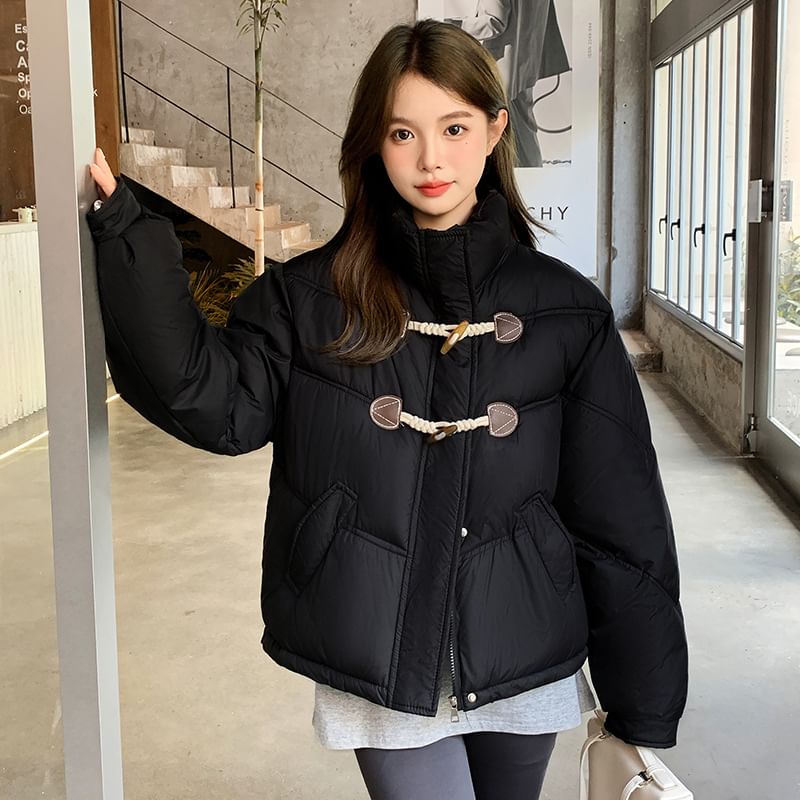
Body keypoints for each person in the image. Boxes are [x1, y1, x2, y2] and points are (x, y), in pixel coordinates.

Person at [87, 19, 688, 800]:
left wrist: (642, 704)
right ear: (374, 141)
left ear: (494, 131)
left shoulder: (566, 313)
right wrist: (127, 236)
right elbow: (213, 401)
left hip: (524, 641)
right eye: (404, 132)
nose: (431, 158)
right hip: (376, 645)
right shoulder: (307, 301)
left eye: (454, 128)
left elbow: (620, 517)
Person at [444, 0, 571, 166]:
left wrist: (450, 26)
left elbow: (494, 23)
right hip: (526, 65)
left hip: (502, 68)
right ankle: (533, 171)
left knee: (500, 137)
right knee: (524, 129)